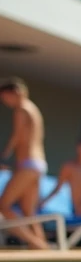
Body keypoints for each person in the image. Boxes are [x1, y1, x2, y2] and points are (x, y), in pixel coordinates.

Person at [0, 77, 49, 249]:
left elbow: (18, 136)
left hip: (28, 164)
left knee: (3, 205)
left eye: (4, 97)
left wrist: (5, 156)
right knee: (29, 212)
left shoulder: (21, 110)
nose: (4, 101)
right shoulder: (33, 109)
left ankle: (36, 243)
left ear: (13, 93)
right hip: (39, 163)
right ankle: (42, 248)